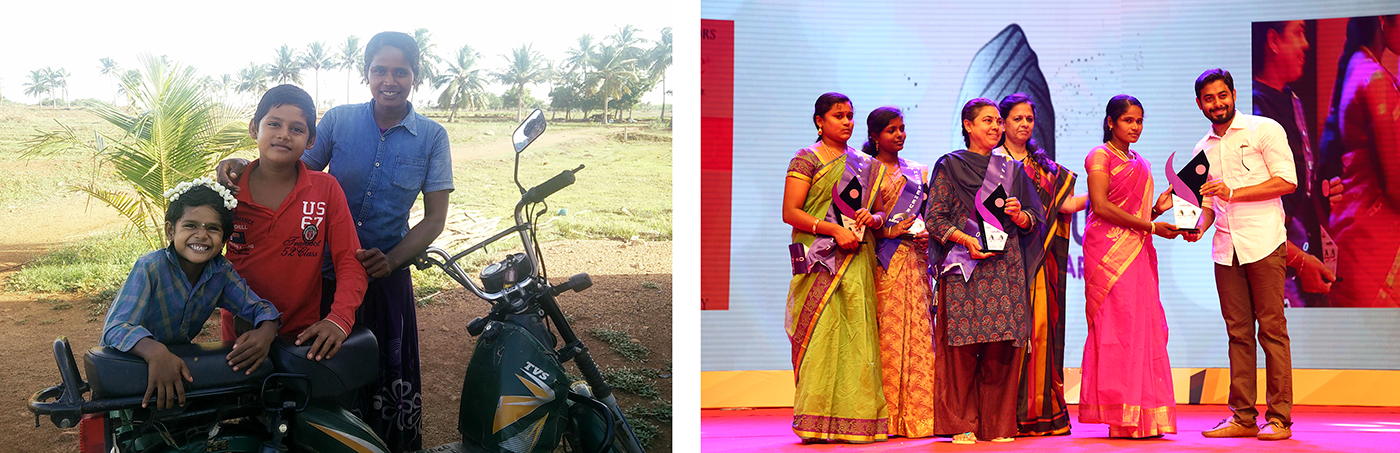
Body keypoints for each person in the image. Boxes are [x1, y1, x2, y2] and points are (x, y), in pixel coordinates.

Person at [219, 31, 452, 450]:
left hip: (383, 274)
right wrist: (241, 166)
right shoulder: (338, 122)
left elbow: (435, 218)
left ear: (415, 77)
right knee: (284, 393)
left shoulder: (432, 137)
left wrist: (393, 260)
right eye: (379, 69)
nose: (389, 79)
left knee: (376, 369)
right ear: (366, 73)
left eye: (401, 71)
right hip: (317, 276)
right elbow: (289, 166)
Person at [101, 180, 282, 410]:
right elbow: (116, 328)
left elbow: (258, 307)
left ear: (225, 240)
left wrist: (266, 330)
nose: (202, 235)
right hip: (129, 367)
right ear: (170, 231)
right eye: (190, 225)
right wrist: (155, 351)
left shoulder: (220, 272)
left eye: (213, 228)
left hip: (175, 363)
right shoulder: (150, 268)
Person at [220, 84, 367, 366]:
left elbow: (350, 260)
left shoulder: (325, 190)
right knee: (245, 406)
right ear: (254, 128)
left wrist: (339, 319)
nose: (284, 134)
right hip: (240, 336)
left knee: (299, 407)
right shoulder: (228, 190)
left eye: (297, 129)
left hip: (302, 339)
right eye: (273, 124)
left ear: (311, 140)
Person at [927, 98, 1044, 445]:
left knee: (1000, 348)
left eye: (997, 122)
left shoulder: (1012, 170)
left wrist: (1019, 214)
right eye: (987, 121)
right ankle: (960, 423)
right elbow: (935, 218)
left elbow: (1032, 220)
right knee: (961, 350)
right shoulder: (950, 165)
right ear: (967, 125)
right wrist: (965, 240)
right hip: (965, 265)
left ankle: (997, 424)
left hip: (1004, 267)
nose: (995, 127)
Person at [1190, 68, 1297, 441]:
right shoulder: (1201, 148)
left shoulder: (1263, 130)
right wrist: (1196, 228)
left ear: (1233, 94)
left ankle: (1280, 417)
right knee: (1238, 333)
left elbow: (1287, 180)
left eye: (1222, 95)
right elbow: (1206, 201)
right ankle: (1243, 416)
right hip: (1225, 248)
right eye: (1208, 98)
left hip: (1265, 242)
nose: (1217, 103)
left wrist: (1233, 192)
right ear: (1200, 103)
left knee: (1272, 330)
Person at [782, 92, 889, 443]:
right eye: (839, 116)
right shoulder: (806, 159)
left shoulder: (866, 164)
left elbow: (881, 213)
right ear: (819, 121)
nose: (846, 122)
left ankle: (856, 423)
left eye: (850, 116)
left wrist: (869, 217)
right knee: (819, 336)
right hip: (820, 260)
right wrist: (832, 229)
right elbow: (791, 212)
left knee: (856, 337)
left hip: (856, 259)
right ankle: (814, 424)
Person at [1076, 95, 1179, 439]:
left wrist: (1158, 211)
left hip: (1137, 250)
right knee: (1117, 329)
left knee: (1144, 328)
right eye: (1127, 121)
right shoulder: (1099, 157)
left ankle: (1145, 417)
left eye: (1139, 121)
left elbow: (1138, 218)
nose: (1134, 127)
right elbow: (1102, 207)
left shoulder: (1142, 163)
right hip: (1106, 253)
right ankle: (1120, 415)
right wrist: (1150, 226)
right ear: (1110, 122)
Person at [994, 93, 1082, 437]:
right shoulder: (990, 163)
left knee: (1040, 332)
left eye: (1029, 119)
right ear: (1002, 123)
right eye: (1017, 118)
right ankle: (1000, 413)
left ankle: (1037, 410)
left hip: (1037, 262)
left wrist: (1106, 196)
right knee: (1004, 336)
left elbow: (1066, 205)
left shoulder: (1044, 168)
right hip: (999, 261)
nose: (1025, 124)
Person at [1251, 20, 1339, 307]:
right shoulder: (1254, 111)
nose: (1306, 44)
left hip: (1301, 247)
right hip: (1275, 262)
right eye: (1298, 33)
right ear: (1273, 41)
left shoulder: (1292, 100)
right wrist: (1300, 264)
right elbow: (1251, 215)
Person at [863, 106, 935, 438]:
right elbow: (858, 218)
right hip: (882, 262)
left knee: (921, 334)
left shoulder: (919, 172)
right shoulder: (864, 170)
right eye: (892, 130)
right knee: (887, 338)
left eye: (902, 128)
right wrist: (887, 232)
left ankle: (920, 416)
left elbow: (931, 214)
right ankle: (887, 416)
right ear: (875, 136)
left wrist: (927, 233)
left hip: (916, 260)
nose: (900, 134)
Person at [1319, 16, 1400, 308]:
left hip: (1357, 233)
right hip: (1374, 242)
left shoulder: (1358, 64)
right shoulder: (1375, 79)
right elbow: (1394, 185)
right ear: (1382, 19)